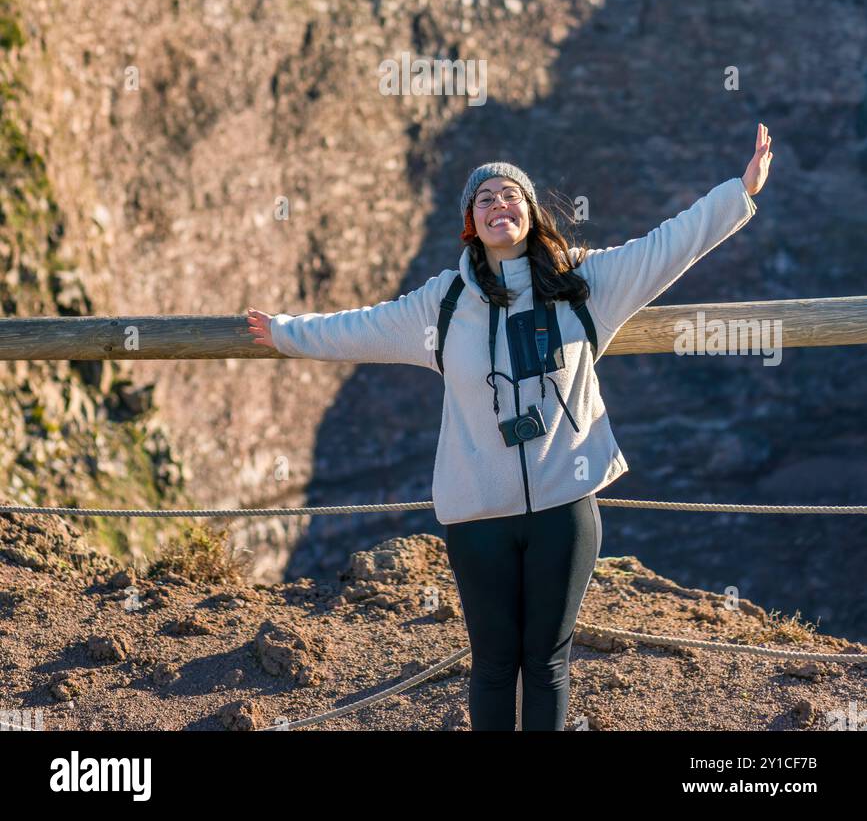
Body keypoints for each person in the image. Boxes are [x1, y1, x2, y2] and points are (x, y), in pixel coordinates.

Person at [247, 123, 773, 730]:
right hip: (478, 517)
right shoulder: (443, 304)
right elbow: (360, 327)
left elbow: (669, 244)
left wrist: (739, 191)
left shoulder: (585, 285)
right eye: (486, 198)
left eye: (512, 195)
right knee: (494, 664)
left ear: (532, 211)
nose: (501, 205)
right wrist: (286, 333)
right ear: (471, 222)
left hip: (564, 506)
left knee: (547, 662)